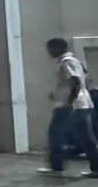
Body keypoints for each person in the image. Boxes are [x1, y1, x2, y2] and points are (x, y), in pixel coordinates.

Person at [41, 38, 98, 176]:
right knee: (85, 136)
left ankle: (56, 166)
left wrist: (69, 102)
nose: (49, 52)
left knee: (55, 133)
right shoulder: (73, 61)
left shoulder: (67, 62)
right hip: (80, 104)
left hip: (73, 105)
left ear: (58, 48)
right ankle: (95, 168)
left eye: (50, 48)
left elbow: (75, 81)